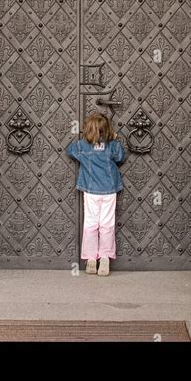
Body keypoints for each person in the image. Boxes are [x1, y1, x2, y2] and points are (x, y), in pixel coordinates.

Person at [66, 112, 126, 276]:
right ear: (106, 131)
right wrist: (113, 138)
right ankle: (105, 258)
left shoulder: (82, 146)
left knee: (91, 224)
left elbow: (69, 150)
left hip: (91, 190)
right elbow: (120, 157)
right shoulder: (112, 145)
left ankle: (91, 259)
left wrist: (86, 140)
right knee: (107, 224)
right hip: (109, 190)